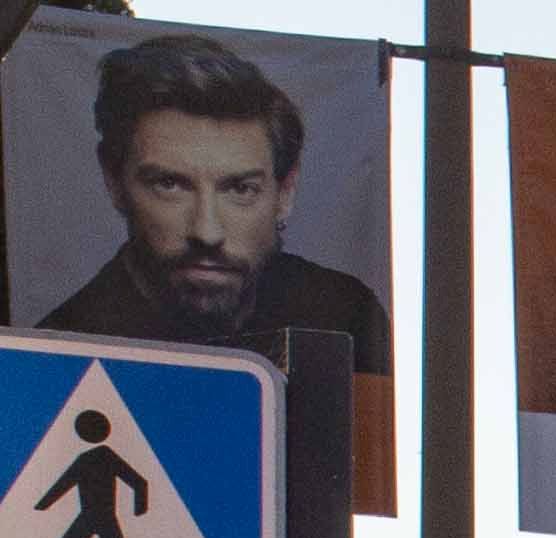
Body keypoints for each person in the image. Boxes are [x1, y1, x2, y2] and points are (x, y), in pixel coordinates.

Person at [38, 34, 384, 362]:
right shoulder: (60, 344)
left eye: (239, 189)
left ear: (285, 192)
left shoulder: (344, 313)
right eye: (170, 184)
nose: (207, 232)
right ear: (114, 180)